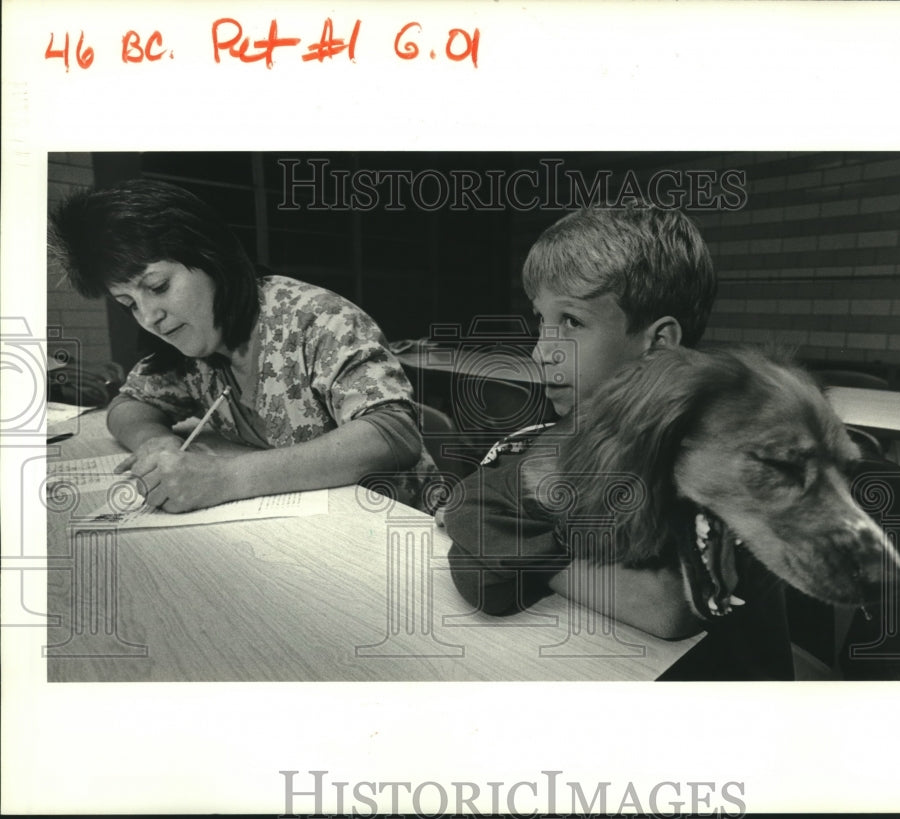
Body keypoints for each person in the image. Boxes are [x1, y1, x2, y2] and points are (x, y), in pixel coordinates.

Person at [443, 203, 794, 679]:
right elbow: (469, 528)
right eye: (541, 321)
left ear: (657, 344)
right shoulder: (547, 439)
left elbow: (668, 607)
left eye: (571, 321)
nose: (541, 350)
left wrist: (512, 551)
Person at [50, 179, 440, 514]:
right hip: (310, 535)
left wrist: (223, 478)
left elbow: (392, 434)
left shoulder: (317, 319)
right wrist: (156, 442)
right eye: (129, 304)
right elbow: (127, 405)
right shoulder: (192, 350)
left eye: (158, 287)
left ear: (210, 256)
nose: (149, 317)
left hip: (397, 528)